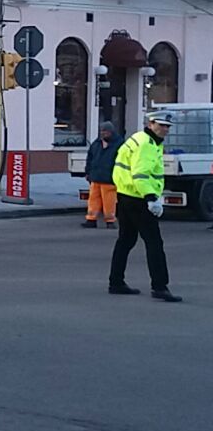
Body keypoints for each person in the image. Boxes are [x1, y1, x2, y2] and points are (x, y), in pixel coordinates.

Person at [110, 111, 180, 301]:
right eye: (161, 125)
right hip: (138, 198)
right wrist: (150, 198)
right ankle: (160, 287)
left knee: (126, 240)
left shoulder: (139, 138)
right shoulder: (147, 145)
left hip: (125, 195)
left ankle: (115, 282)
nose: (165, 129)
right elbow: (140, 175)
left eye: (167, 126)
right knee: (154, 242)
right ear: (151, 124)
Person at [84, 122, 120, 230]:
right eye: (102, 131)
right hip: (96, 177)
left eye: (105, 131)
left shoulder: (119, 144)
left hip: (109, 178)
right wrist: (88, 172)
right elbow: (90, 159)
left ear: (111, 132)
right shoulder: (96, 144)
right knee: (93, 200)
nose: (103, 133)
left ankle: (110, 221)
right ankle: (91, 219)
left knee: (109, 201)